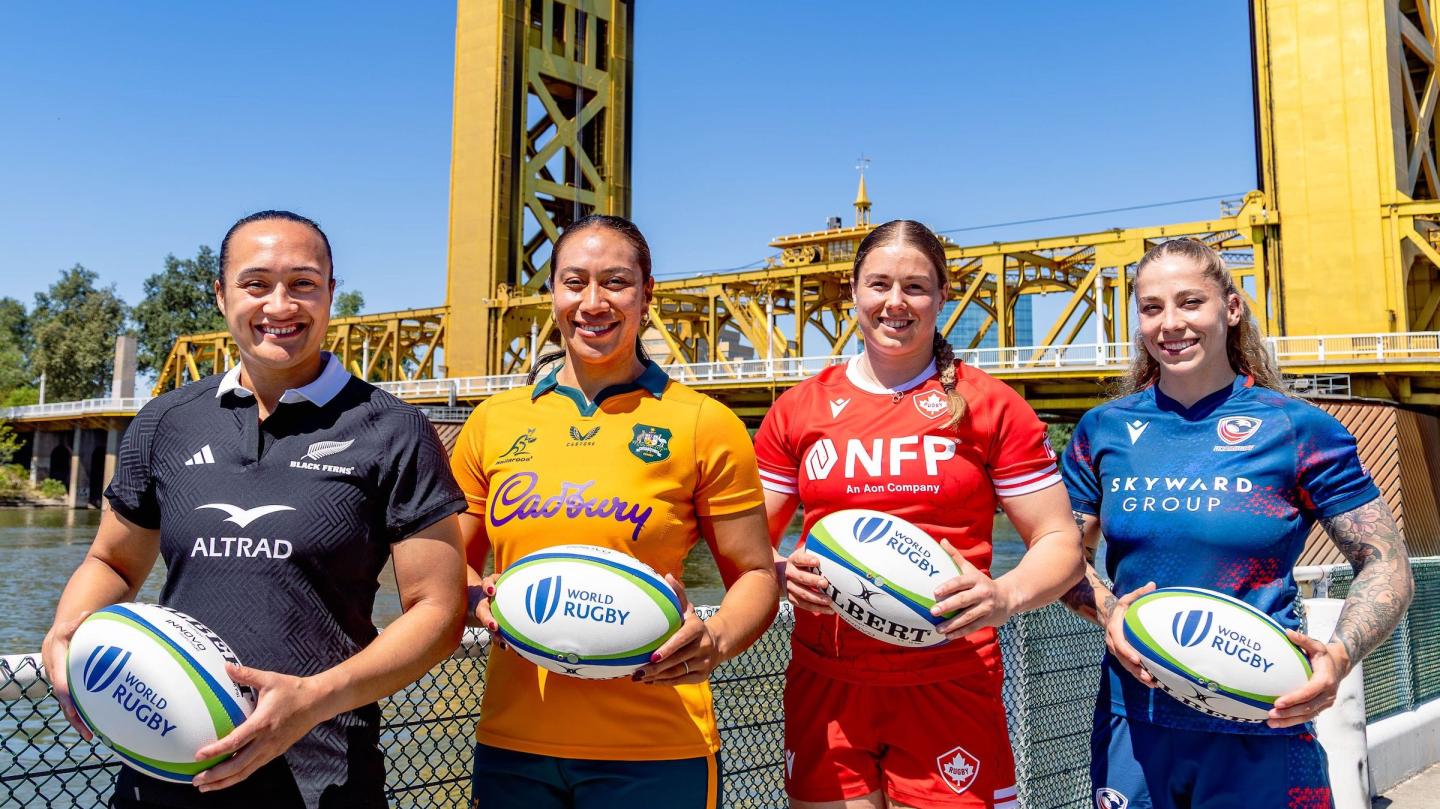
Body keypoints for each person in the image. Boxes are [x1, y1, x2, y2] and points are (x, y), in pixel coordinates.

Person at [40, 211, 469, 809]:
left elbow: (439, 612)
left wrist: (315, 699)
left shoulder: (394, 430)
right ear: (221, 295)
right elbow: (112, 563)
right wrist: (68, 628)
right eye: (256, 284)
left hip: (323, 775)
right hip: (166, 765)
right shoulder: (166, 422)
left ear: (330, 294)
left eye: (303, 284)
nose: (280, 305)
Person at [1059, 237, 1415, 809]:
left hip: (1266, 720)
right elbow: (1060, 556)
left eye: (1189, 302)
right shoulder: (1103, 430)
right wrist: (1109, 611)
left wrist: (1339, 655)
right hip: (1135, 721)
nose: (1170, 324)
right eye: (1151, 308)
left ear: (1230, 308)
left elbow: (1386, 562)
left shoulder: (1296, 429)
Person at [450, 214, 779, 809]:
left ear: (647, 295)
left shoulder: (704, 423)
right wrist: (477, 601)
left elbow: (755, 573)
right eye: (574, 282)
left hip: (657, 747)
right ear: (552, 295)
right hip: (514, 745)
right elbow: (447, 566)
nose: (593, 302)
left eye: (616, 282)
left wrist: (717, 639)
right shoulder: (493, 421)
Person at [755, 219, 1084, 809]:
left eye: (915, 287)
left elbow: (1060, 539)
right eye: (879, 284)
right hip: (828, 681)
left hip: (951, 678)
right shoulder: (798, 409)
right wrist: (780, 573)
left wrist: (1005, 596)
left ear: (942, 295)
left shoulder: (992, 405)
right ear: (853, 291)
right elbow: (747, 545)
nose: (895, 303)